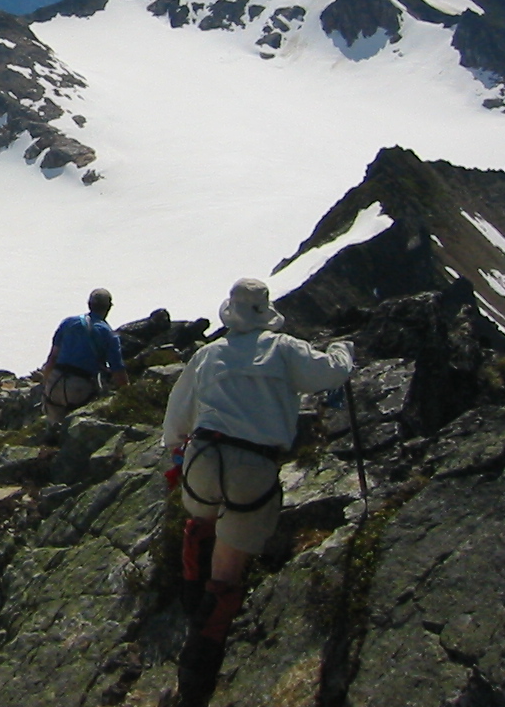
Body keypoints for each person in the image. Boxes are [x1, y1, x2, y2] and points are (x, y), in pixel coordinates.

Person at [161, 278, 354, 707]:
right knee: (227, 577)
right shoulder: (284, 349)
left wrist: (178, 451)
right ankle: (196, 677)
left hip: (203, 459)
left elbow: (176, 420)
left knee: (200, 522)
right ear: (265, 311)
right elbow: (331, 373)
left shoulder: (207, 355)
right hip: (253, 466)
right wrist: (344, 349)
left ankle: (190, 601)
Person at [41, 287, 130, 425]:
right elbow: (118, 370)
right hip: (80, 388)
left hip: (55, 383)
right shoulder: (109, 335)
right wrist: (128, 395)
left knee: (54, 425)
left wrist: (46, 385)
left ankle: (50, 439)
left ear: (89, 304)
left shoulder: (67, 323)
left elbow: (52, 358)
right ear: (108, 308)